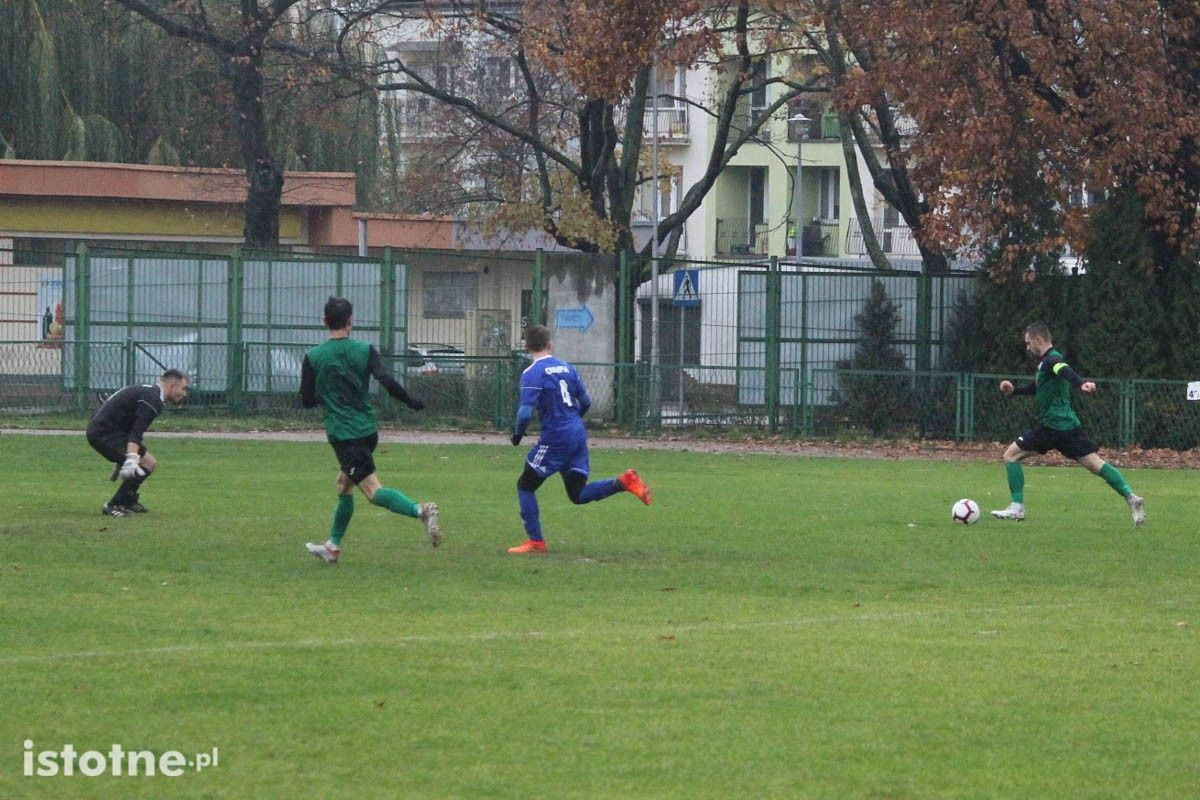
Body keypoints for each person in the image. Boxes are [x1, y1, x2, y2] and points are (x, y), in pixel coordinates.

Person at [301, 297, 440, 564]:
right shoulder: (365, 350)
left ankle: (421, 510)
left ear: (324, 322)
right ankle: (333, 547)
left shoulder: (313, 357)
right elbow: (386, 381)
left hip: (345, 436)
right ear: (350, 321)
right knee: (343, 484)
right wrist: (411, 402)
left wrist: (329, 394)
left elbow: (307, 400)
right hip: (367, 430)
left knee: (372, 492)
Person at [507, 324, 651, 554]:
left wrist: (516, 434)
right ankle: (624, 482)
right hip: (576, 432)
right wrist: (572, 421)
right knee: (578, 494)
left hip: (555, 437)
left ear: (526, 347)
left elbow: (524, 413)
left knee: (525, 485)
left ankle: (536, 542)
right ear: (549, 344)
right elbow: (586, 403)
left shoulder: (531, 373)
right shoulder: (566, 367)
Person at [991, 321, 1145, 526]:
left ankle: (1017, 507)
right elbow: (1037, 388)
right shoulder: (1046, 363)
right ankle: (1131, 498)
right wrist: (1014, 391)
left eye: (1028, 343)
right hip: (1069, 426)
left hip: (1051, 426)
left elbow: (1064, 369)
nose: (1027, 347)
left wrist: (1081, 383)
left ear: (1039, 339)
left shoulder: (1051, 360)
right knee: (1095, 464)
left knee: (1010, 456)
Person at [87, 368, 190, 516]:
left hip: (108, 431)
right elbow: (136, 433)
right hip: (103, 434)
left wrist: (124, 456)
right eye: (183, 388)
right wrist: (131, 459)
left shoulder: (149, 393)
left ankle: (128, 500)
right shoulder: (153, 400)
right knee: (145, 463)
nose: (185, 393)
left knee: (150, 463)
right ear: (172, 386)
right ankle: (113, 505)